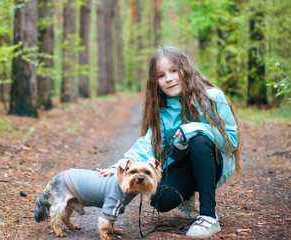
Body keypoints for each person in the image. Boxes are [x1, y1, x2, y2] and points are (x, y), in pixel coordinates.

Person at [97, 46, 241, 238]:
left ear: (185, 69)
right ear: (155, 81)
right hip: (186, 163)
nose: (169, 78)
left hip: (215, 163)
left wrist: (197, 128)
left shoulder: (212, 96)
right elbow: (149, 143)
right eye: (161, 75)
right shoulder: (163, 110)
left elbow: (231, 141)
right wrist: (120, 166)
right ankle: (187, 195)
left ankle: (208, 216)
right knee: (161, 200)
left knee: (198, 140)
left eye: (174, 70)